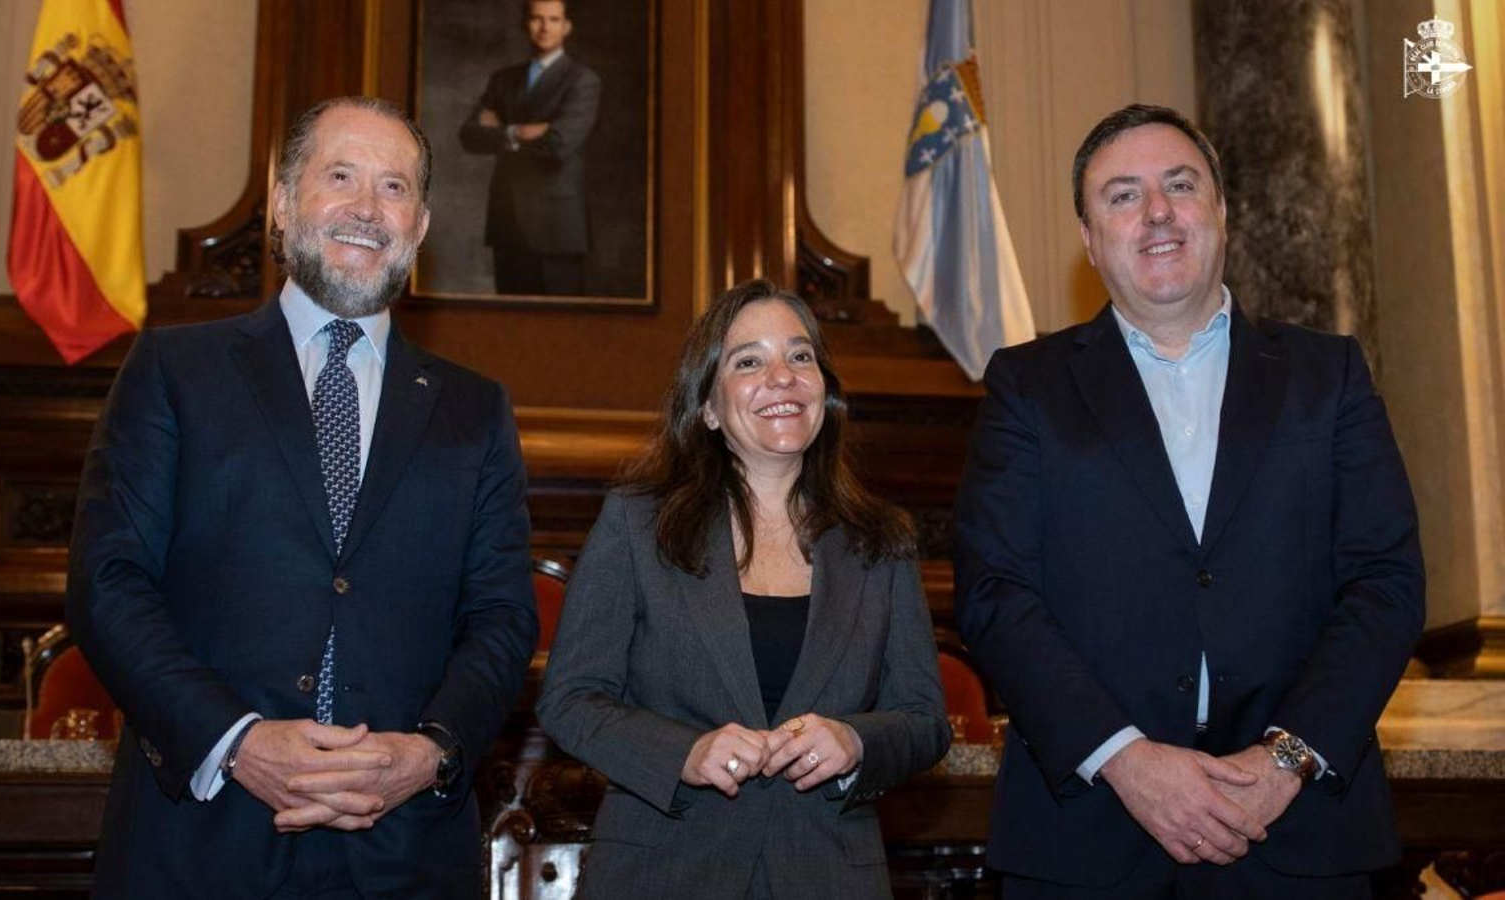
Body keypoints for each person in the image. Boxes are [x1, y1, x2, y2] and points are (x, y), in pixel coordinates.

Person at [66, 96, 537, 899]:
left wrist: (429, 753)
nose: (366, 208)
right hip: (199, 839)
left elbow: (502, 617)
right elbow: (107, 583)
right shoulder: (176, 371)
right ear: (284, 205)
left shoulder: (474, 408)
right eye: (341, 176)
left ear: (420, 228)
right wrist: (237, 742)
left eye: (395, 188)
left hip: (404, 848)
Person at [954, 103, 1424, 898]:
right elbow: (996, 594)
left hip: (1297, 831)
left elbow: (1386, 583)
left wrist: (1286, 759)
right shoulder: (1025, 386)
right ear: (1089, 238)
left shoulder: (1329, 374)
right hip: (1090, 837)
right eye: (1122, 195)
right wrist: (1127, 760)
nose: (1158, 213)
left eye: (1180, 184)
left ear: (1221, 209)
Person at [537, 279, 951, 899]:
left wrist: (855, 740)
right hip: (664, 872)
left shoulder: (881, 540)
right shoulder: (637, 524)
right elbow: (570, 698)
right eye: (749, 361)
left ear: (824, 392)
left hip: (828, 873)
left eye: (800, 355)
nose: (782, 376)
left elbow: (925, 720)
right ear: (707, 405)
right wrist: (684, 752)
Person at [458, 0, 601, 296]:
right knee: (509, 329)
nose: (545, 27)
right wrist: (519, 131)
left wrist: (500, 129)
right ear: (526, 24)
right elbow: (469, 135)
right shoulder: (504, 79)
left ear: (567, 26)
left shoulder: (582, 81)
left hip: (556, 225)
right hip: (507, 218)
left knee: (559, 330)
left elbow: (559, 144)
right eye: (537, 19)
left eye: (553, 19)